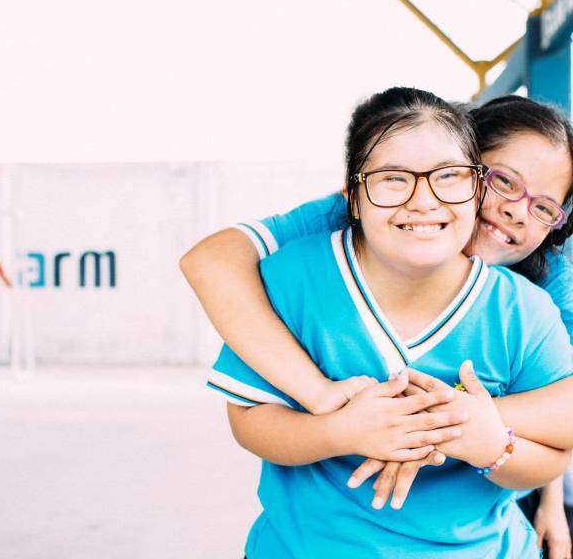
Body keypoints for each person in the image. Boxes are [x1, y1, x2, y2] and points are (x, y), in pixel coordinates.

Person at [184, 87, 572, 557]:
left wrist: (451, 425)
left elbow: (559, 419)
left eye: (543, 206)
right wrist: (334, 414)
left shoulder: (535, 295)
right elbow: (211, 263)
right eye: (504, 181)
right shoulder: (311, 260)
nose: (516, 210)